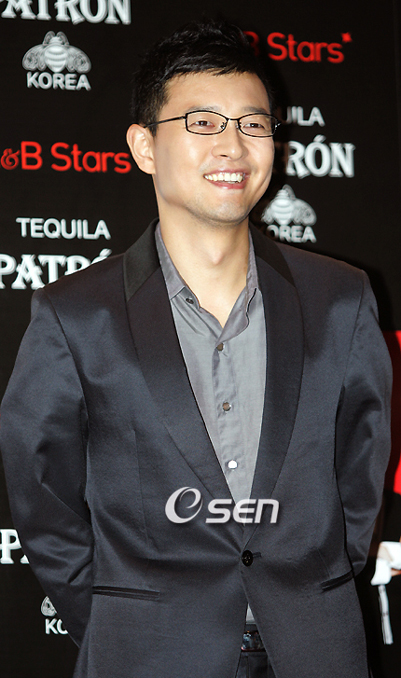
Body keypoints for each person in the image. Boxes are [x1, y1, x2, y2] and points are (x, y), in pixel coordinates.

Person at [0, 18, 392, 678]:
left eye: (253, 123)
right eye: (202, 123)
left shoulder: (341, 298)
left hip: (314, 651)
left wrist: (311, 594)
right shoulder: (76, 314)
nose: (232, 145)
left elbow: (361, 474)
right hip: (146, 655)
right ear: (144, 147)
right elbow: (42, 497)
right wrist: (122, 620)